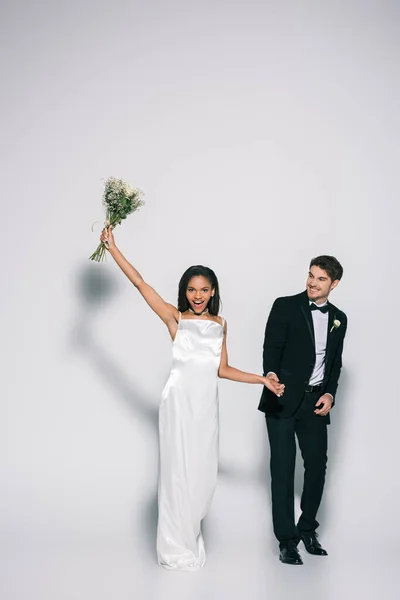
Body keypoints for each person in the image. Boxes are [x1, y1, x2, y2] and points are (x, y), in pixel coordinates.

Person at [100, 226, 284, 571]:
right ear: (184, 292)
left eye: (203, 289)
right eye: (191, 289)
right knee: (177, 471)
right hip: (177, 404)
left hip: (205, 407)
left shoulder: (220, 324)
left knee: (202, 474)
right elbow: (140, 283)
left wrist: (262, 379)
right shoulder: (176, 318)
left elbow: (223, 369)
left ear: (213, 291)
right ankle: (173, 545)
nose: (197, 295)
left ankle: (188, 533)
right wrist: (113, 249)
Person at [259, 255, 347, 565]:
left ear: (333, 284)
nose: (312, 282)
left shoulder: (339, 318)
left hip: (314, 404)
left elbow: (334, 363)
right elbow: (271, 348)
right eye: (311, 275)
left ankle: (307, 528)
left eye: (321, 279)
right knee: (282, 471)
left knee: (317, 467)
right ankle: (287, 540)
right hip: (281, 397)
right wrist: (270, 373)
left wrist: (330, 394)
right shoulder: (285, 305)